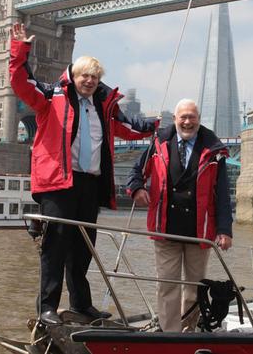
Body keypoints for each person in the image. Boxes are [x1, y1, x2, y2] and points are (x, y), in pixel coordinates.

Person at [9, 23, 157, 325]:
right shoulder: (51, 98)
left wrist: (160, 127)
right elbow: (22, 83)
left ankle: (81, 305)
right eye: (84, 75)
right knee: (54, 247)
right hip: (59, 183)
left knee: (83, 248)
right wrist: (20, 49)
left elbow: (130, 129)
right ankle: (46, 308)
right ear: (73, 76)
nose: (89, 81)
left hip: (89, 184)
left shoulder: (104, 108)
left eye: (94, 76)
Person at [127, 98, 233, 332]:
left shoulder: (214, 150)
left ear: (198, 120)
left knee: (195, 287)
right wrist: (136, 188)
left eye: (192, 117)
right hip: (165, 228)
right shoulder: (159, 143)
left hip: (199, 231)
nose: (187, 122)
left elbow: (223, 194)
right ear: (175, 119)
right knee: (167, 284)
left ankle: (188, 331)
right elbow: (137, 170)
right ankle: (169, 334)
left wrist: (224, 230)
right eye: (182, 117)